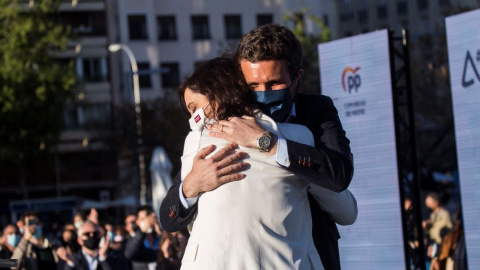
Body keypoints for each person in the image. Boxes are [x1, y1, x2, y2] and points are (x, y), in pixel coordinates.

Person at [160, 24, 354, 270]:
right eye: (253, 86)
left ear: (297, 78)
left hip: (308, 252)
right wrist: (191, 186)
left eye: (274, 84)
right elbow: (169, 214)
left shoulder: (316, 112)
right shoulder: (215, 131)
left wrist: (268, 143)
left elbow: (339, 175)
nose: (263, 93)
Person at [64, 221, 128, 270]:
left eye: (95, 233)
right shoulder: (74, 259)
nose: (91, 236)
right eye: (87, 234)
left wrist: (103, 258)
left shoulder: (115, 256)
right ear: (79, 240)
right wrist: (70, 264)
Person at [124, 205, 162, 270]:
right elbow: (129, 253)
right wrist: (142, 230)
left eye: (149, 218)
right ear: (137, 222)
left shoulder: (158, 235)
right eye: (143, 219)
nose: (148, 221)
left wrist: (159, 232)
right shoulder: (136, 238)